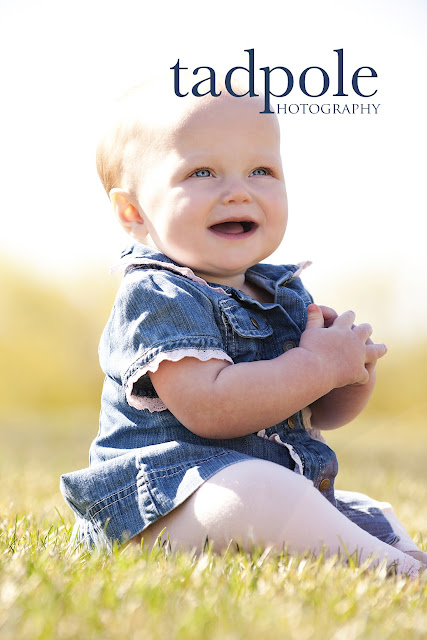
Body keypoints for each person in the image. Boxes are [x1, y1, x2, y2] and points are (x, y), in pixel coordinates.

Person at [60, 79, 426, 576]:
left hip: (262, 490)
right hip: (162, 508)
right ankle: (394, 570)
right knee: (257, 492)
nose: (238, 191)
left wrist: (349, 373)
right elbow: (211, 407)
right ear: (134, 212)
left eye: (261, 170)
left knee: (358, 508)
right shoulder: (157, 294)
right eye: (202, 172)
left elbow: (319, 410)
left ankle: (399, 556)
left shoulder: (284, 293)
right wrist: (316, 364)